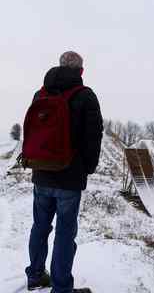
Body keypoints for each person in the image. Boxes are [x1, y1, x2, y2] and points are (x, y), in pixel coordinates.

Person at [25, 51, 103, 293]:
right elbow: (93, 137)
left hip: (41, 171)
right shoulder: (86, 96)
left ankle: (36, 275)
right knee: (65, 234)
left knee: (40, 226)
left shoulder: (40, 93)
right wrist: (87, 168)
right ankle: (61, 288)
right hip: (69, 176)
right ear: (81, 71)